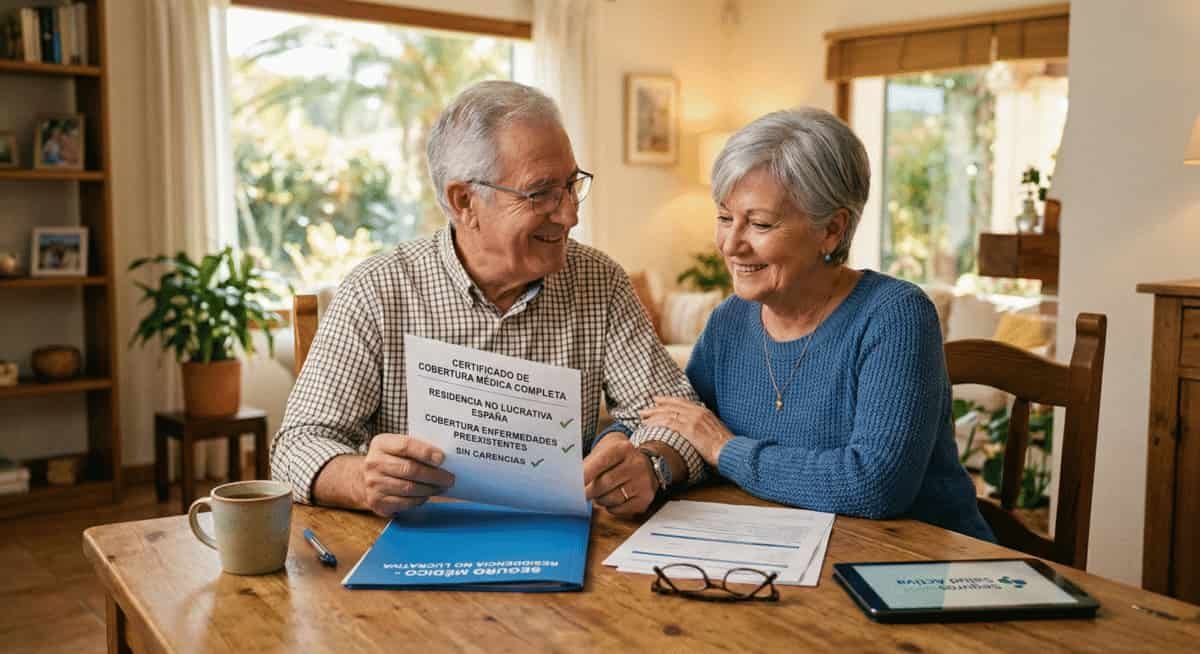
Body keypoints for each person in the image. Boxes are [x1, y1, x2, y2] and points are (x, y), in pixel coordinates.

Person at [272, 80, 704, 518]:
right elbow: (296, 447)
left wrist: (651, 465)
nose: (570, 214)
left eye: (571, 185)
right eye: (541, 193)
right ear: (464, 201)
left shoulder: (599, 281)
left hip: (559, 536)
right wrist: (360, 481)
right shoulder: (378, 291)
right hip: (416, 540)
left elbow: (682, 421)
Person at [638, 108, 994, 541]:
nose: (731, 245)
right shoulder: (730, 319)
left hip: (919, 562)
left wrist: (725, 448)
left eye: (760, 224)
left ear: (832, 230)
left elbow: (875, 485)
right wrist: (639, 459)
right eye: (725, 218)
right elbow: (683, 424)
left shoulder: (896, 316)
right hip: (782, 550)